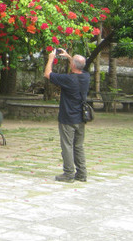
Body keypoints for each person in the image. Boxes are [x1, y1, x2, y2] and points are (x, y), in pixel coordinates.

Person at [43, 47, 90, 183]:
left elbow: (48, 74)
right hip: (81, 118)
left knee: (67, 146)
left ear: (73, 65)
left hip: (68, 118)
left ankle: (69, 173)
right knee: (79, 146)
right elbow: (78, 68)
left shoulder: (68, 79)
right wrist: (70, 58)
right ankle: (82, 173)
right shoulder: (86, 77)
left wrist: (51, 59)